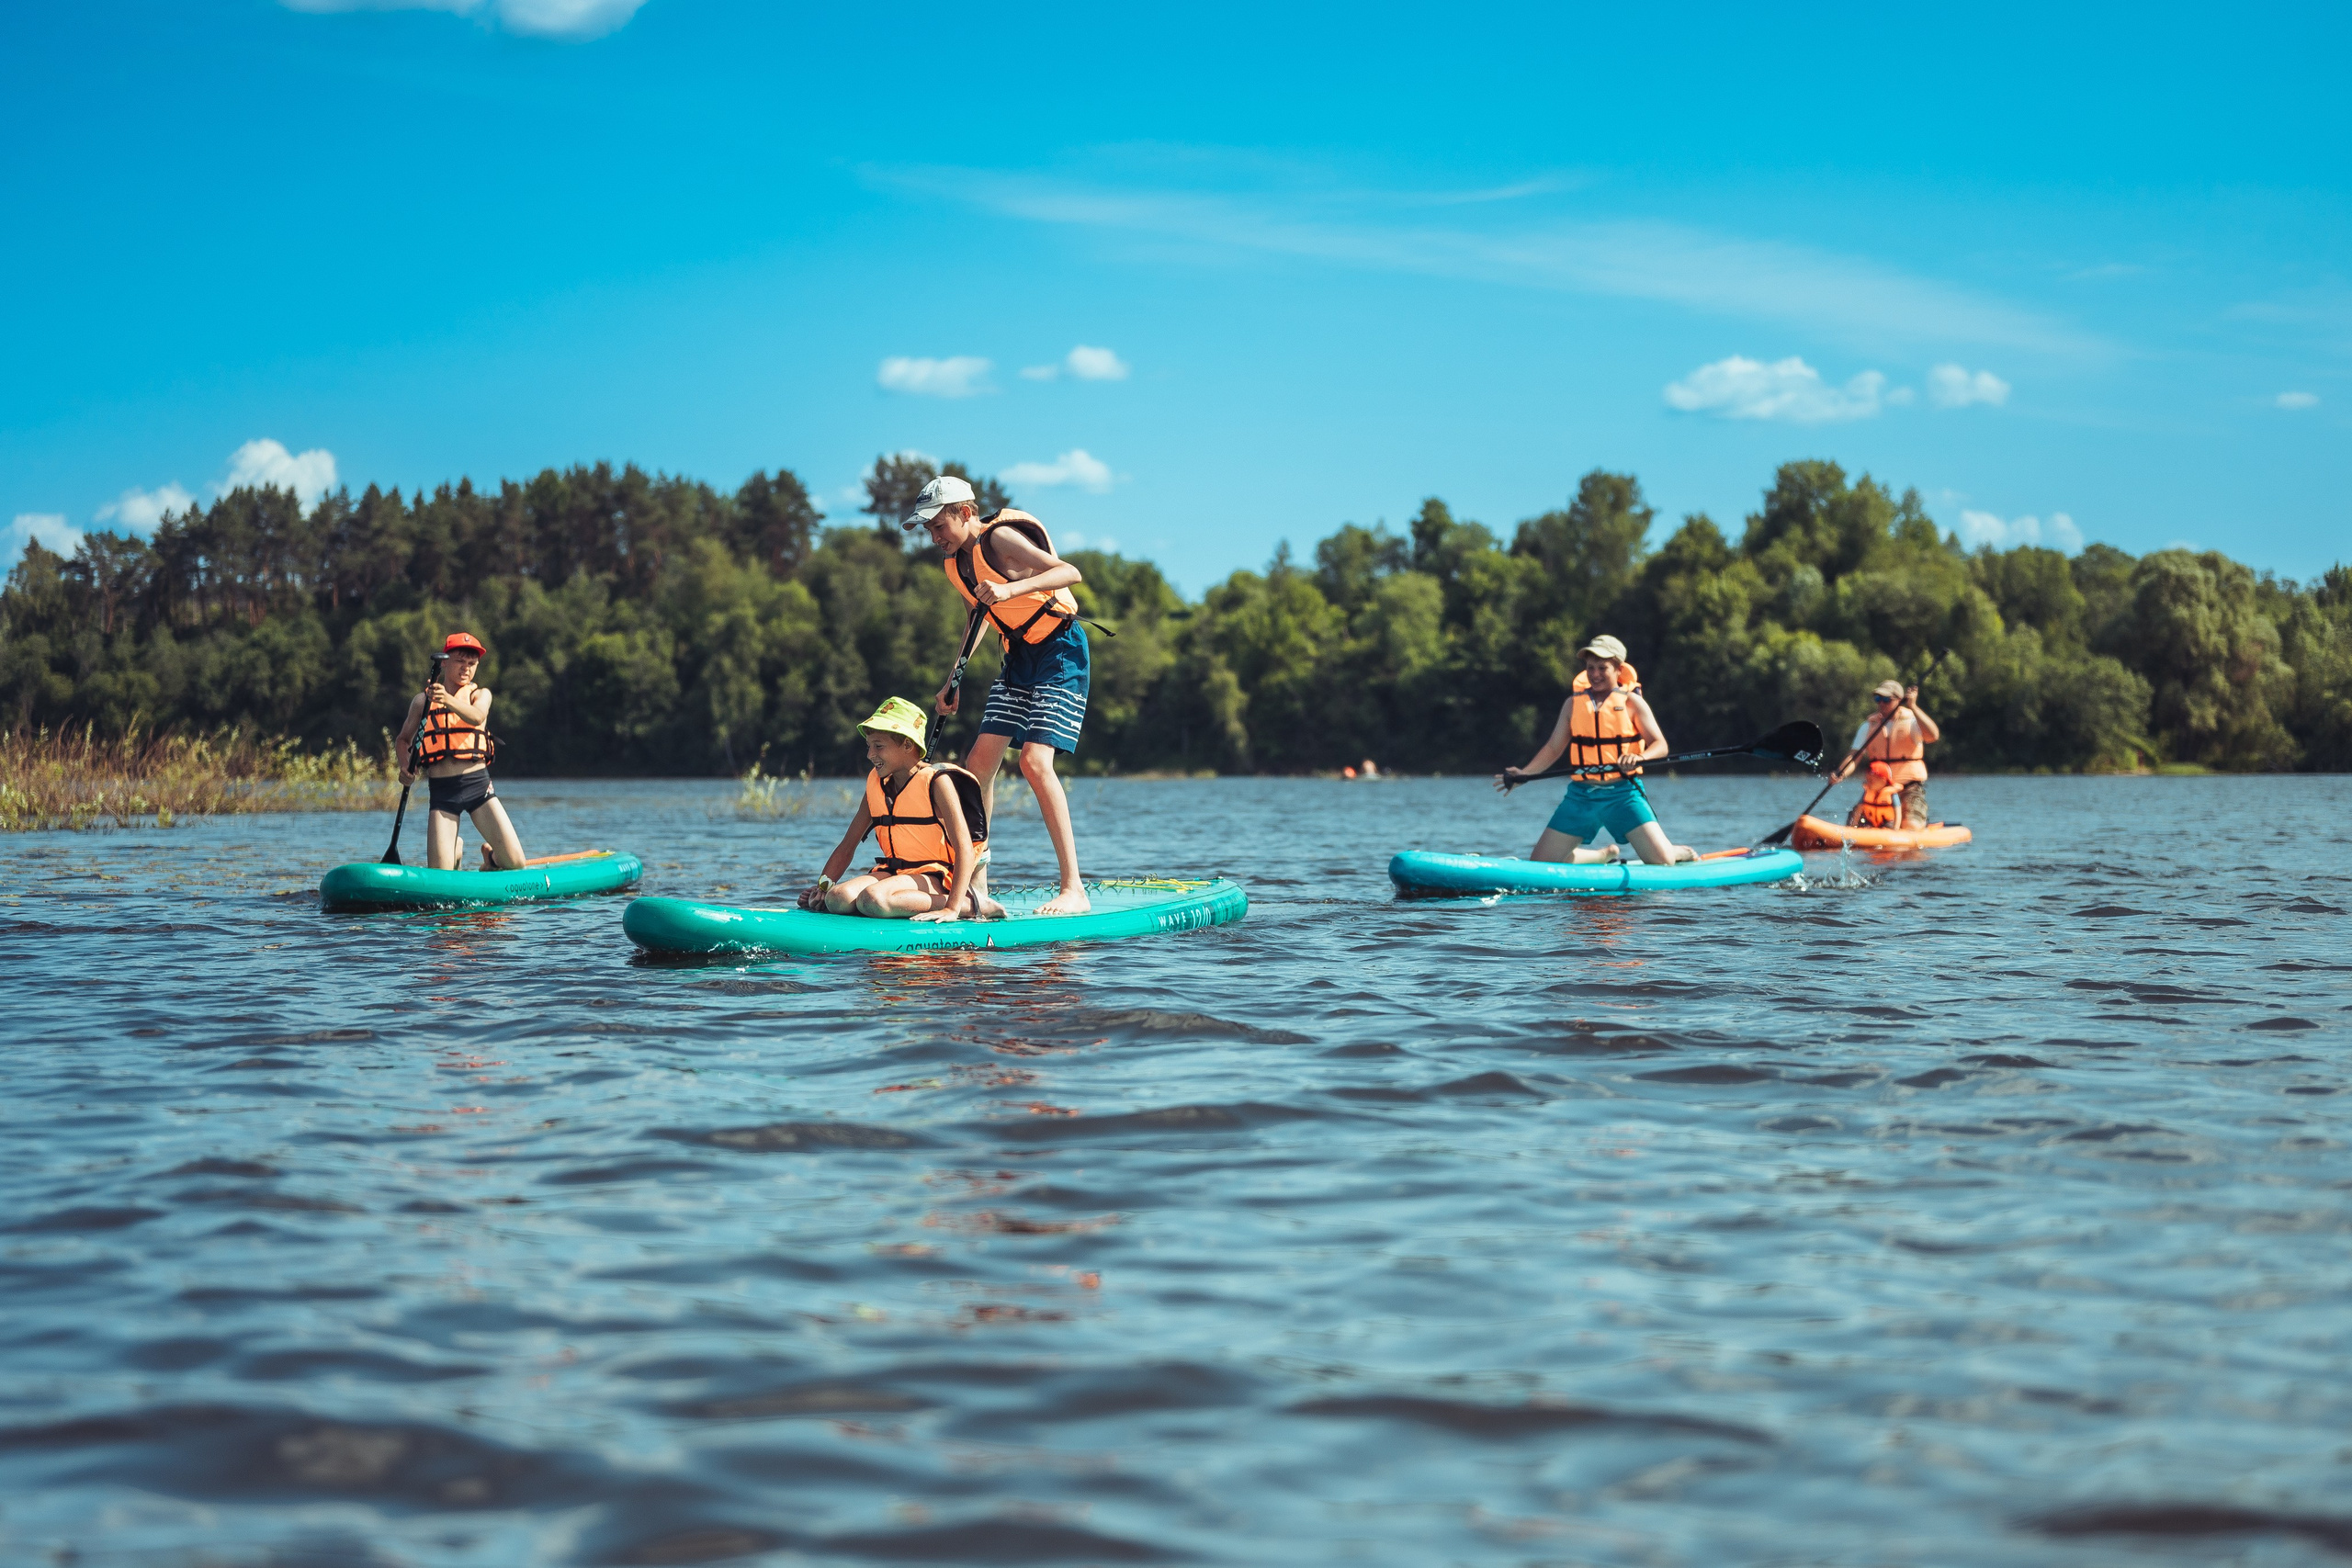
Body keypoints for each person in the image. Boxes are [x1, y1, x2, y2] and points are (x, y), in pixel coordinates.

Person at [907, 475, 1093, 916]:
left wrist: (1011, 588)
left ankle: (1074, 889)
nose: (934, 537)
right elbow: (978, 617)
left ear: (966, 513)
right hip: (1018, 659)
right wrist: (954, 679)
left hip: (1060, 653)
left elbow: (1070, 572)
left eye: (938, 526)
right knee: (977, 767)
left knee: (1033, 762)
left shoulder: (1002, 539)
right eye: (928, 530)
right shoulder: (958, 564)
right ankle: (978, 888)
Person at [1496, 635, 1695, 865]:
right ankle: (1600, 856)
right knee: (1540, 863)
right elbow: (1553, 748)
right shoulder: (1573, 704)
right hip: (1582, 796)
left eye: (1603, 668)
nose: (1595, 674)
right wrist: (1526, 774)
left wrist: (1639, 757)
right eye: (1590, 668)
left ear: (1619, 669)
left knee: (1663, 863)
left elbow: (1660, 745)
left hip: (1623, 794)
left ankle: (1674, 851)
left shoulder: (1632, 702)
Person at [800, 697, 993, 921]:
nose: (870, 754)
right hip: (894, 873)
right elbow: (847, 845)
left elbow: (965, 850)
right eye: (869, 746)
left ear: (908, 746)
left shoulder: (937, 783)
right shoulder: (878, 785)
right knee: (837, 898)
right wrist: (822, 887)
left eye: (879, 746)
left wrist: (952, 908)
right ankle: (888, 901)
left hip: (935, 876)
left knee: (873, 900)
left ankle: (972, 904)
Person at [393, 632, 527, 872]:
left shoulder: (480, 694)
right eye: (460, 662)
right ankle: (456, 850)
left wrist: (447, 699)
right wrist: (405, 766)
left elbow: (477, 717)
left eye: (472, 664)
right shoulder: (421, 702)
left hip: (478, 787)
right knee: (440, 875)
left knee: (516, 864)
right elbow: (403, 740)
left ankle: (492, 859)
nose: (466, 668)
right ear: (444, 662)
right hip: (443, 792)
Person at [1831, 678, 1941, 829]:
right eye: (1878, 699)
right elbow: (1854, 756)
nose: (1881, 703)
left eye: (1886, 699)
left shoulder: (1912, 722)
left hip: (1908, 789)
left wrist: (1913, 707)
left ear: (1899, 700)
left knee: (1911, 825)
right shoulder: (1868, 726)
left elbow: (1933, 735)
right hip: (1877, 790)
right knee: (1853, 824)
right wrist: (1841, 773)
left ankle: (1915, 826)